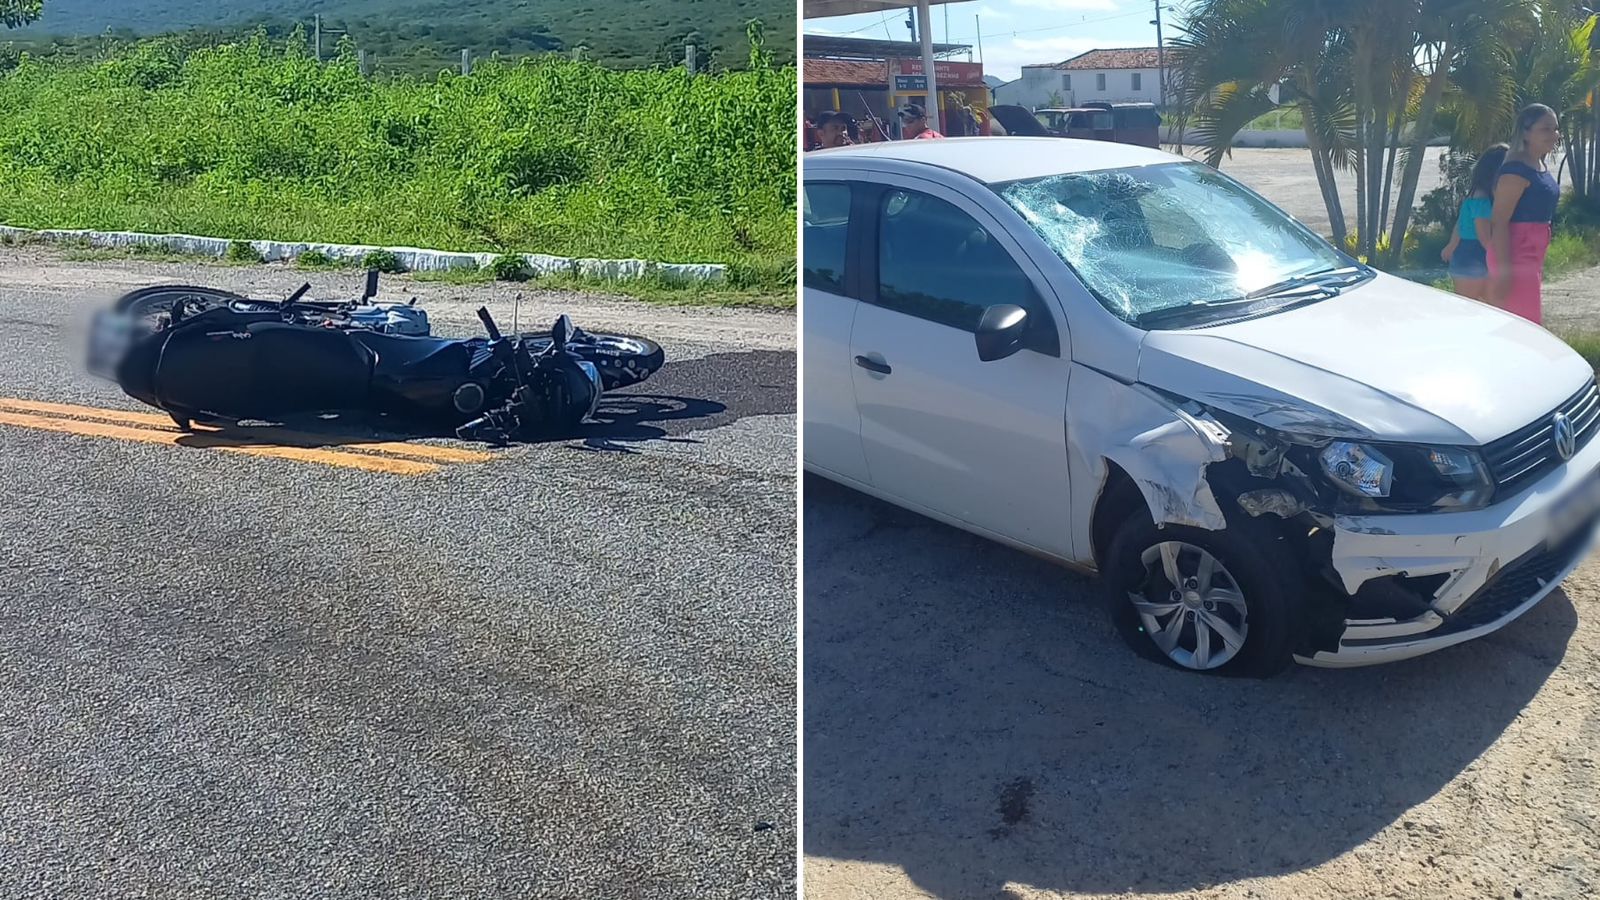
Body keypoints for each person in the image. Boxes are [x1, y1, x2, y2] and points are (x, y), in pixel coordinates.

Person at [1486, 103, 1562, 323]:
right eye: (1545, 129)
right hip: (1514, 258)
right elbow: (1498, 223)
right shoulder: (1515, 170)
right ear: (1526, 133)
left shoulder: (1537, 163)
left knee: (1527, 326)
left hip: (1530, 258)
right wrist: (1504, 273)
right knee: (1519, 329)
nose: (1554, 134)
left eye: (1555, 128)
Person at [1440, 143, 1509, 300]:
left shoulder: (1476, 195)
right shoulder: (1481, 198)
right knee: (1474, 307)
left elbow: (1460, 224)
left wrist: (1451, 246)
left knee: (1479, 307)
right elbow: (1484, 236)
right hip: (1474, 254)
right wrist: (1502, 259)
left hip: (1466, 253)